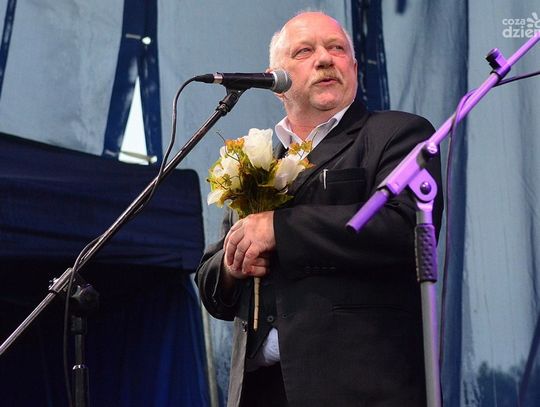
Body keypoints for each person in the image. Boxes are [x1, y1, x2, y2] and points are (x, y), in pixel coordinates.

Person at [196, 11, 443, 407]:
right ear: (275, 81)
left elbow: (402, 226)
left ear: (354, 69)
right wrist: (231, 264)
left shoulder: (397, 133)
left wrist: (280, 229)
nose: (325, 59)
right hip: (261, 391)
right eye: (304, 51)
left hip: (358, 389)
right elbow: (211, 287)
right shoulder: (256, 157)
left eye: (337, 48)